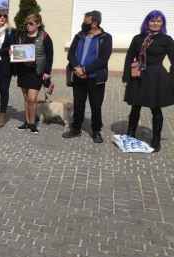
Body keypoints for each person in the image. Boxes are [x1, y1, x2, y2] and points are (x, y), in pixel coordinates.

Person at [123, 10, 174, 152]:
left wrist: (171, 78)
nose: (155, 23)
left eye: (158, 21)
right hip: (138, 76)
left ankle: (156, 140)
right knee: (135, 107)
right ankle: (131, 133)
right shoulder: (138, 38)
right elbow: (129, 56)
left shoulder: (166, 39)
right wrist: (127, 76)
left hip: (156, 77)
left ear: (162, 23)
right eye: (152, 21)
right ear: (147, 22)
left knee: (156, 109)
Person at [63, 11, 113, 143]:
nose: (84, 23)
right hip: (78, 75)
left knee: (96, 105)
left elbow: (103, 59)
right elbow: (71, 54)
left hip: (95, 77)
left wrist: (85, 69)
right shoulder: (79, 36)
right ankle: (76, 128)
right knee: (78, 104)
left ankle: (96, 131)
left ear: (95, 23)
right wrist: (77, 68)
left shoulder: (106, 38)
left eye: (87, 21)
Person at [12, 13, 53, 134]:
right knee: (26, 98)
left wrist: (47, 72)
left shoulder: (44, 36)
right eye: (27, 24)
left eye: (31, 24)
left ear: (38, 24)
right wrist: (13, 52)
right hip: (23, 71)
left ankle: (32, 123)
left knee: (32, 98)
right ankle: (27, 121)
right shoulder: (21, 36)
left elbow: (49, 55)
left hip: (36, 71)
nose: (28, 26)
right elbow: (17, 50)